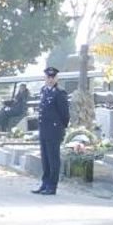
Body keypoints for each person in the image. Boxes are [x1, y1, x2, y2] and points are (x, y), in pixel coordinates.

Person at [32, 66, 70, 194]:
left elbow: (65, 114)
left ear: (56, 78)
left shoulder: (59, 93)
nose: (50, 79)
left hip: (54, 131)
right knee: (45, 159)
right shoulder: (44, 90)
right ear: (45, 78)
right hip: (44, 130)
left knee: (53, 159)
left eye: (53, 77)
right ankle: (45, 183)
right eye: (48, 77)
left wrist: (60, 128)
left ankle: (52, 186)